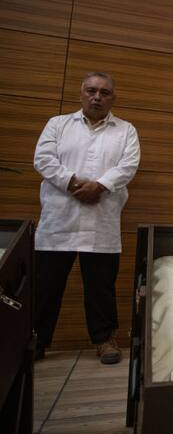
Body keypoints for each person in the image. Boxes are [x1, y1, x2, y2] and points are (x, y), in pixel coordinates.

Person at [34, 71, 140, 364]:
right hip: (59, 219)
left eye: (104, 92)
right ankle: (37, 341)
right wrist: (72, 182)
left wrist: (100, 186)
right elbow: (43, 159)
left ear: (112, 98)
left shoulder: (126, 130)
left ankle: (105, 341)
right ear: (81, 94)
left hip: (101, 220)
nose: (97, 97)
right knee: (46, 286)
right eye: (91, 91)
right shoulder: (58, 125)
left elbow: (128, 165)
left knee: (101, 287)